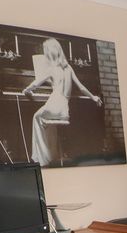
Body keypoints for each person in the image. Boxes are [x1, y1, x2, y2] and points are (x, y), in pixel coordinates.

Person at [22, 38, 102, 166]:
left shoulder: (51, 69)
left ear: (48, 53)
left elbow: (36, 83)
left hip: (54, 105)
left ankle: (43, 159)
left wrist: (27, 90)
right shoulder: (68, 67)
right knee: (48, 124)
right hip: (64, 110)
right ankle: (52, 154)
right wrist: (94, 97)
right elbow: (81, 87)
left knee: (36, 118)